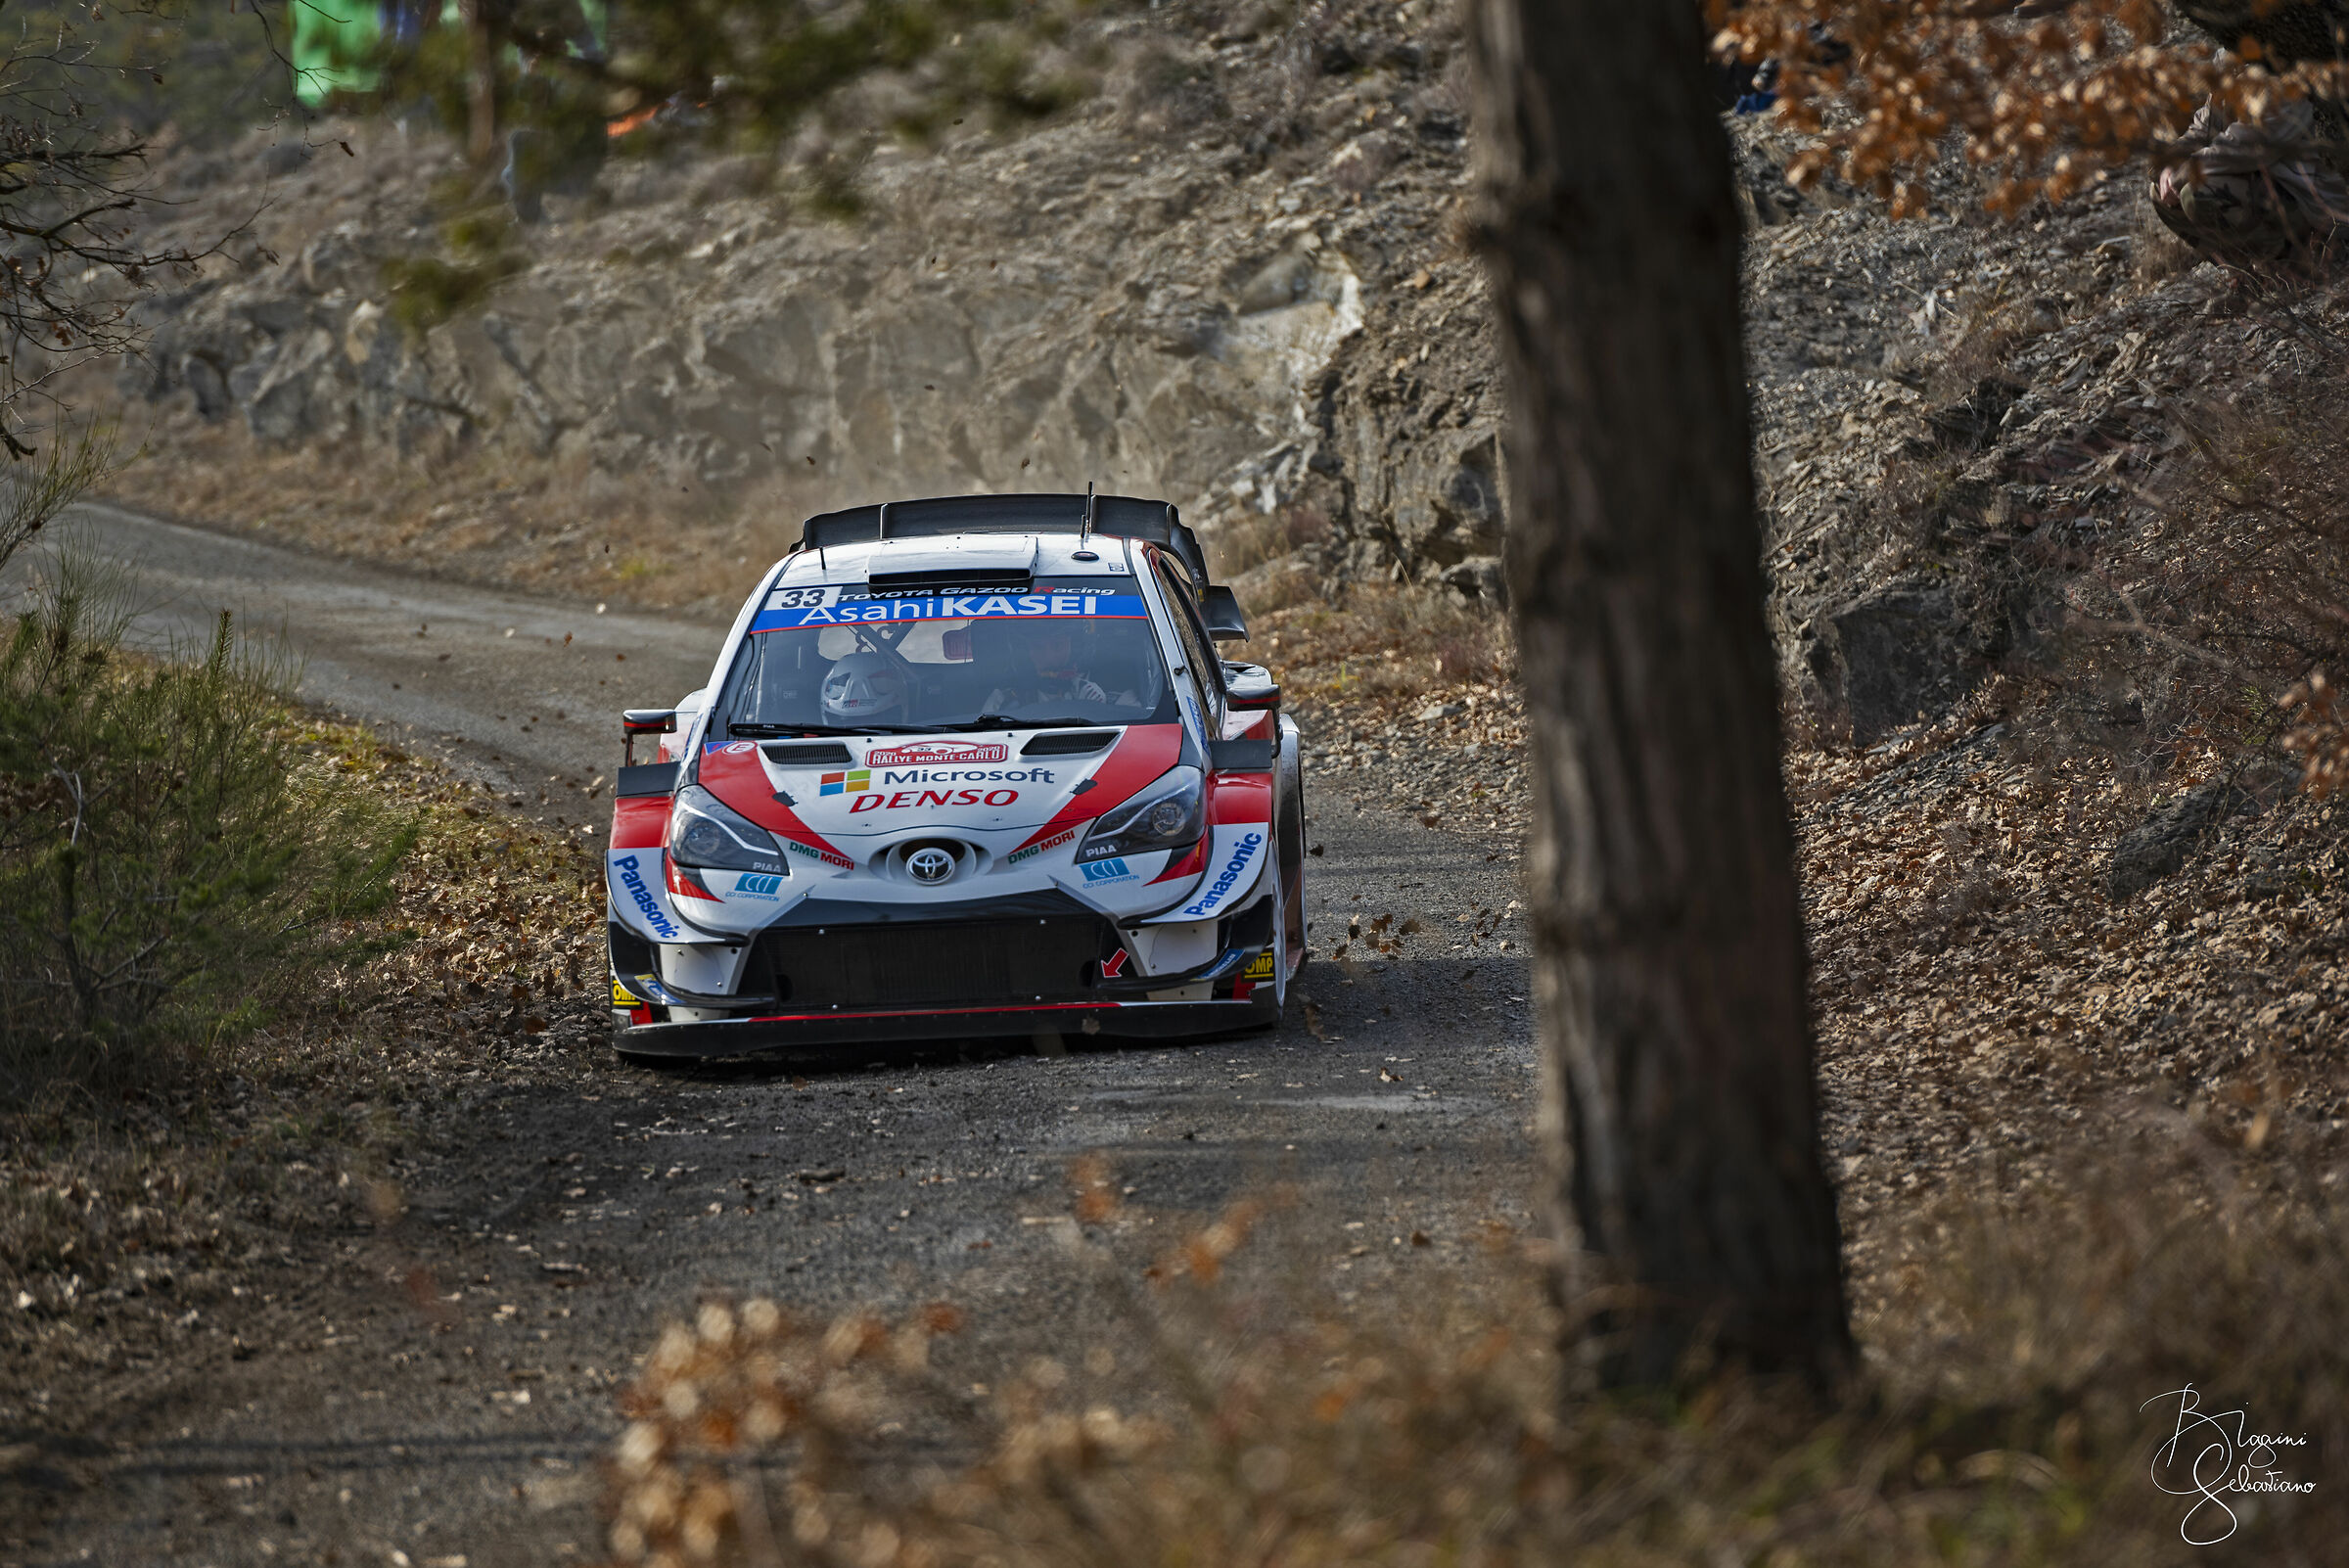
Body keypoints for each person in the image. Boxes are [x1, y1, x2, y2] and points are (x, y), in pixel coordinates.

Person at [978, 621, 1105, 714]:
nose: (1049, 657)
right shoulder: (1002, 701)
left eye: (1058, 646)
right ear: (1024, 652)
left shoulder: (1089, 695)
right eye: (1037, 647)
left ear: (1074, 648)